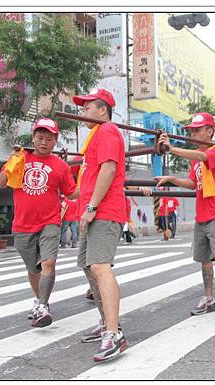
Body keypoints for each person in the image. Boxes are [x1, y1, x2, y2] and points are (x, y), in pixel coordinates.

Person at [155, 112, 215, 319]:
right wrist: (172, 179)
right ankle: (209, 298)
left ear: (209, 132)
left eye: (197, 129)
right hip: (202, 214)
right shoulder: (195, 158)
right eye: (192, 130)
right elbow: (193, 183)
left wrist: (171, 148)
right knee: (204, 260)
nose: (193, 133)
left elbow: (203, 157)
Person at [0, 117, 76, 328]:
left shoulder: (60, 166)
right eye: (40, 137)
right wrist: (12, 161)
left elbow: (72, 192)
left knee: (48, 262)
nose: (43, 142)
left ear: (55, 141)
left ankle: (41, 305)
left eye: (49, 139)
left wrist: (94, 181)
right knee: (33, 269)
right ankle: (42, 301)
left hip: (50, 221)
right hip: (23, 224)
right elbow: (2, 183)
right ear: (33, 137)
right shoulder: (21, 158)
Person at [72, 88, 129, 362]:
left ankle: (114, 332)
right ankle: (107, 321)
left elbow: (108, 169)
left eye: (87, 108)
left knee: (99, 267)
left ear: (102, 110)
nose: (84, 112)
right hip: (93, 212)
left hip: (105, 211)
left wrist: (92, 207)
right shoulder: (95, 136)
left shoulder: (106, 130)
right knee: (88, 266)